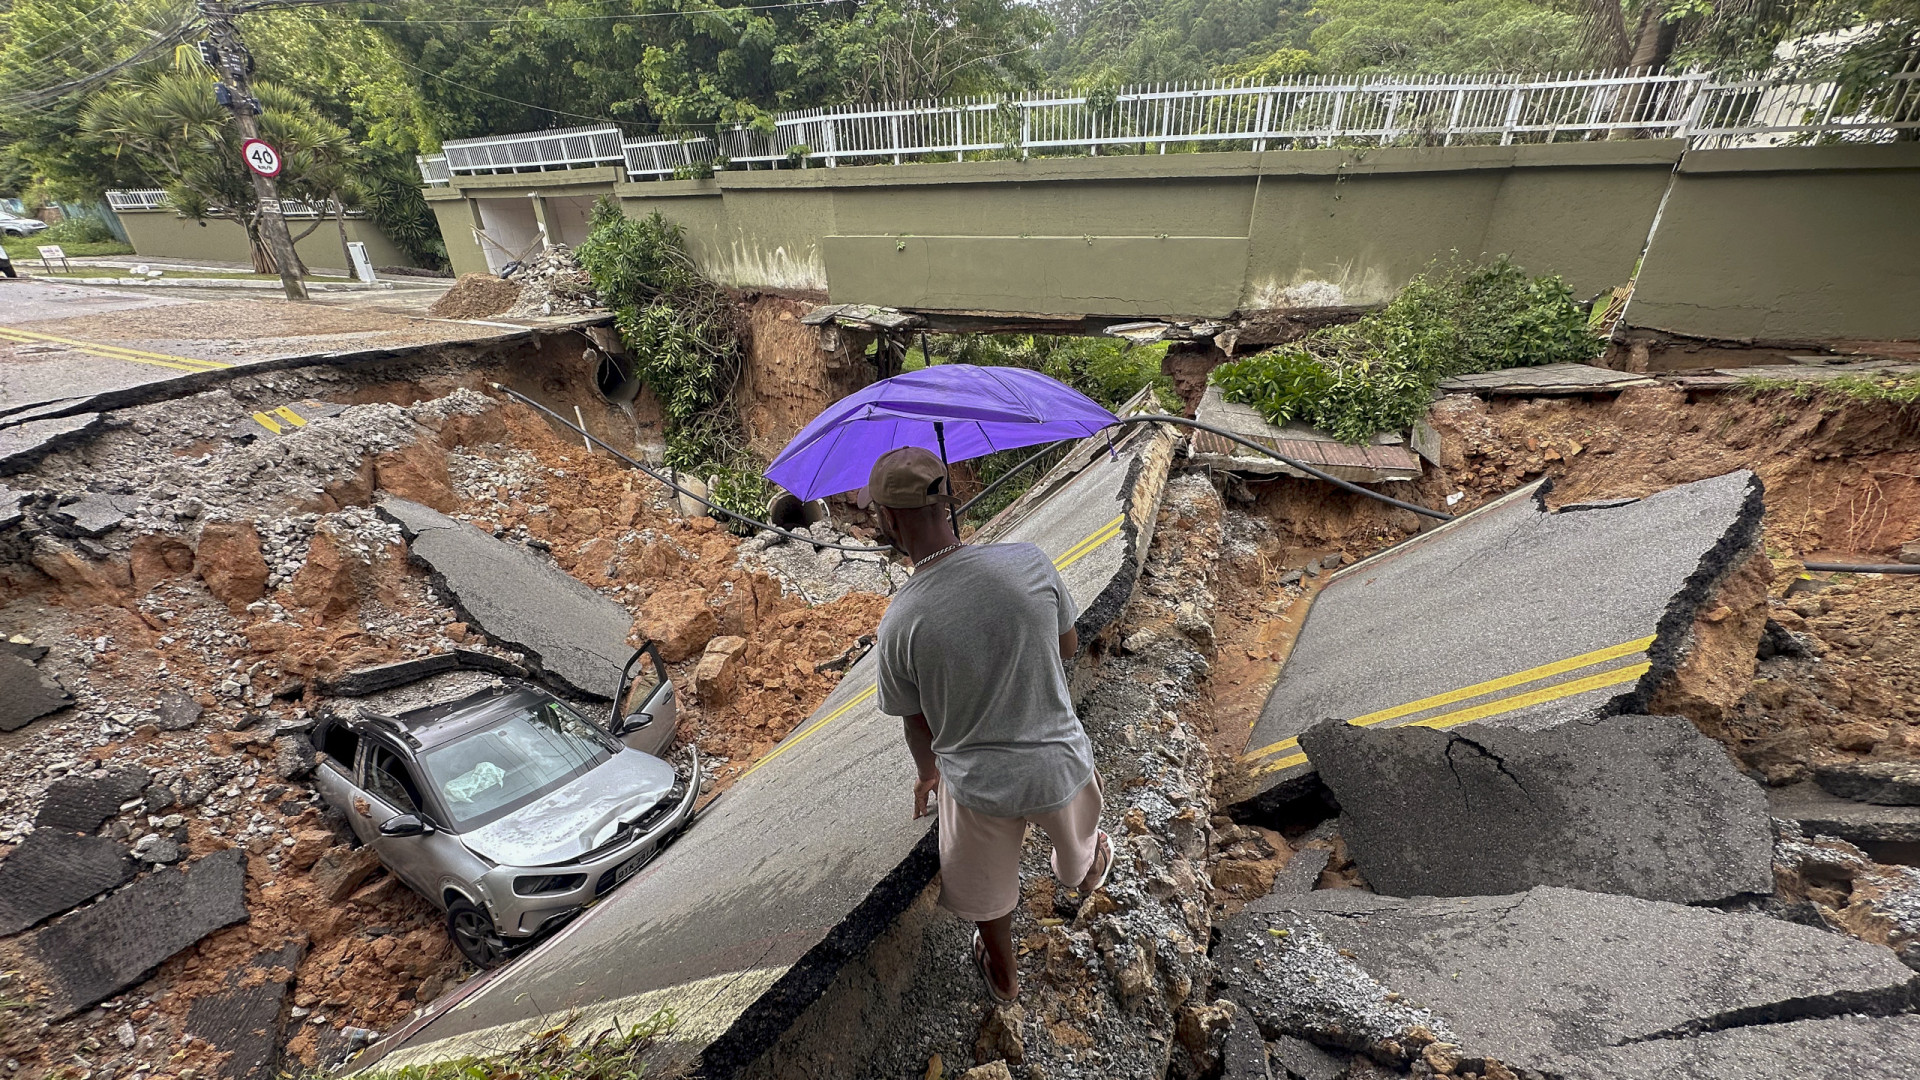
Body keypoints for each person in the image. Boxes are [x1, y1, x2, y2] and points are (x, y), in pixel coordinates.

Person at [866, 445, 1112, 1003]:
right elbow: (1068, 646)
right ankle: (1087, 867)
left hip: (977, 786)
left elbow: (917, 725)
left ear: (889, 519)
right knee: (1076, 856)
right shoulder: (1027, 561)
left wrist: (928, 773)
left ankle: (1002, 973)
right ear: (947, 500)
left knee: (987, 893)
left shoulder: (899, 622)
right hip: (1057, 763)